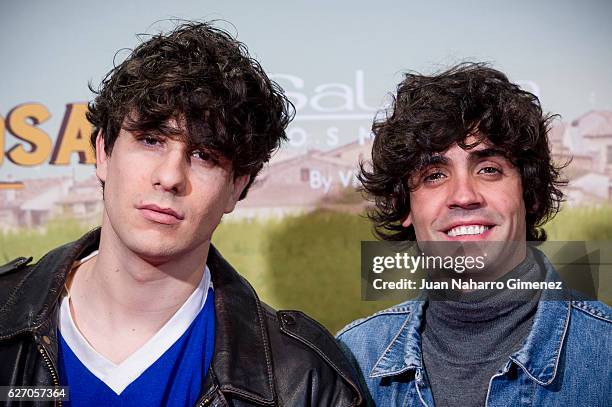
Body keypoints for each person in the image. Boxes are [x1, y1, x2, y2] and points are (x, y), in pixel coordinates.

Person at [0, 21, 363, 407]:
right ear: (104, 152)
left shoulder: (303, 378)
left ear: (237, 187)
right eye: (151, 140)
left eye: (204, 155)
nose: (170, 177)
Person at [336, 63, 611, 406]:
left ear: (530, 193)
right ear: (405, 206)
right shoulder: (354, 357)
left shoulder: (606, 352)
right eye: (434, 175)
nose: (464, 196)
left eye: (489, 170)